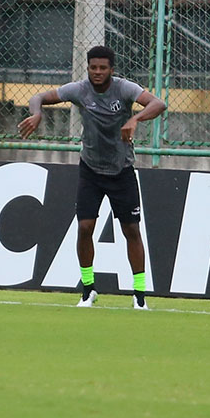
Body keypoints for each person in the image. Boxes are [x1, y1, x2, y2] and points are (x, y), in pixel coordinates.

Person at [18, 46, 166, 309]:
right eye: (93, 68)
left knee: (131, 229)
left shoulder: (124, 89)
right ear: (87, 68)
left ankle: (139, 295)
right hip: (90, 170)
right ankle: (88, 290)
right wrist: (37, 113)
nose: (97, 72)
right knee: (85, 228)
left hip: (121, 170)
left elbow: (158, 103)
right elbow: (39, 96)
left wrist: (136, 119)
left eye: (103, 68)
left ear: (111, 69)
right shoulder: (79, 90)